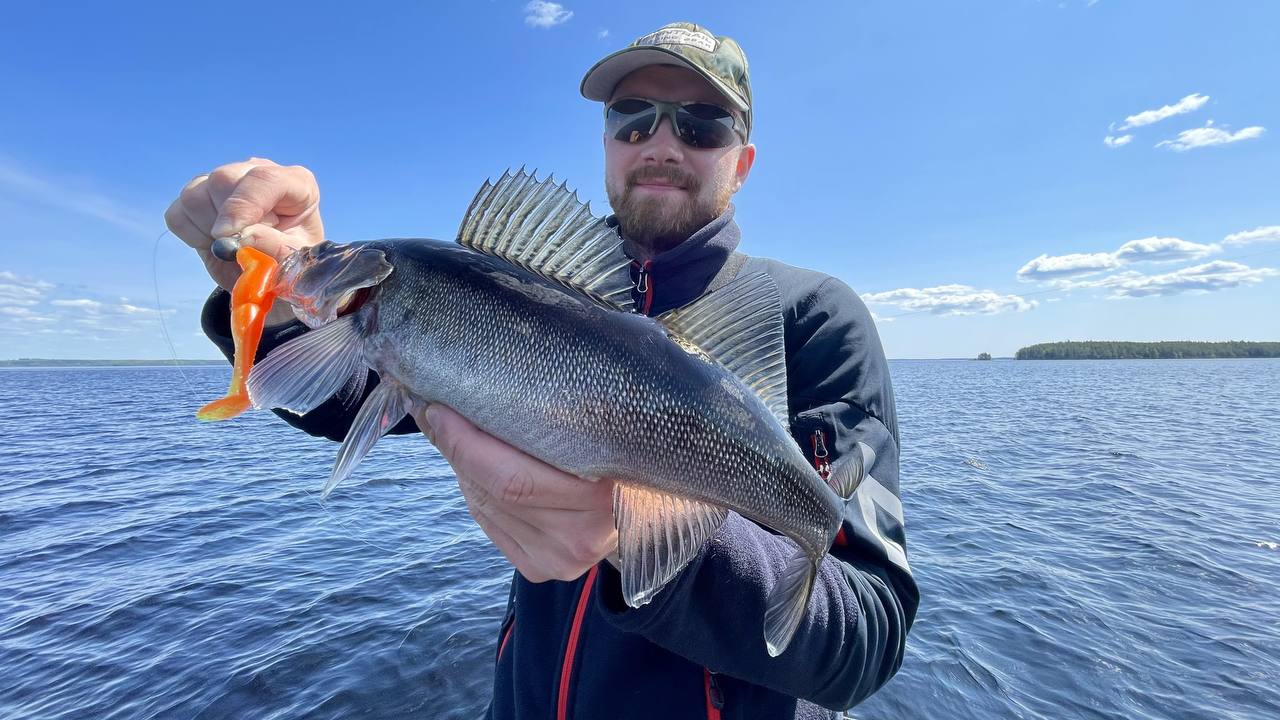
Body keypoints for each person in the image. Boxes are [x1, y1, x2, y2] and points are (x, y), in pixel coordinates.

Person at [166, 21, 917, 719]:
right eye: (632, 116)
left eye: (702, 122)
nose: (661, 142)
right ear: (607, 141)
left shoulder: (813, 315)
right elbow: (341, 399)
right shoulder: (497, 290)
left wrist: (635, 537)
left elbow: (867, 636)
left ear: (742, 161)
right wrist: (276, 297)